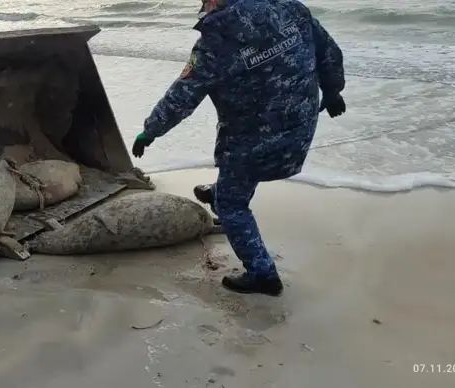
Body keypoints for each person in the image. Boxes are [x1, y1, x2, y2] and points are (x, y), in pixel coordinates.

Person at [131, 0, 345, 296]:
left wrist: (149, 132)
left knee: (233, 205)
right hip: (300, 126)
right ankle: (217, 192)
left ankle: (262, 274)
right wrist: (333, 92)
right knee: (243, 172)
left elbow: (182, 95)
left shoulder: (216, 39)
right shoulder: (289, 8)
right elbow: (329, 53)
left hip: (249, 139)